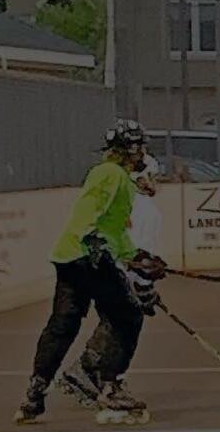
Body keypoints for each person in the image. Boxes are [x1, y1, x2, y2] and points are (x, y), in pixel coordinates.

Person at [14, 119, 166, 425]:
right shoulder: (109, 173)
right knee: (128, 315)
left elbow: (115, 229)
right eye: (139, 148)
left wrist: (135, 256)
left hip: (70, 256)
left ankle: (35, 394)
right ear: (130, 149)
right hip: (88, 256)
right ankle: (110, 387)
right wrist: (94, 242)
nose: (143, 154)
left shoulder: (121, 180)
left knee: (63, 324)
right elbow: (88, 213)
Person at [56, 152, 165, 413]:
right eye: (152, 176)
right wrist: (144, 288)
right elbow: (137, 256)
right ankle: (108, 383)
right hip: (114, 273)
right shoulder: (147, 210)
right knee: (126, 324)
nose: (155, 181)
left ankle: (86, 372)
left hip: (94, 268)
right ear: (141, 178)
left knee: (113, 322)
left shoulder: (121, 198)